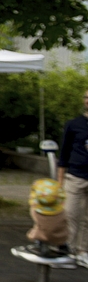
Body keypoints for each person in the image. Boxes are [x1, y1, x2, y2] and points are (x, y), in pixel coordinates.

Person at [57, 89, 88, 268]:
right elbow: (64, 153)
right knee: (70, 214)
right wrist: (60, 181)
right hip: (75, 176)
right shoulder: (74, 124)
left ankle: (83, 251)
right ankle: (67, 250)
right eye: (86, 98)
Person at [12, 178, 76, 265]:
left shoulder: (36, 213)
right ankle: (63, 247)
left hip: (42, 236)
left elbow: (34, 207)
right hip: (61, 237)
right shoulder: (62, 213)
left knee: (40, 229)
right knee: (57, 229)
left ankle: (39, 244)